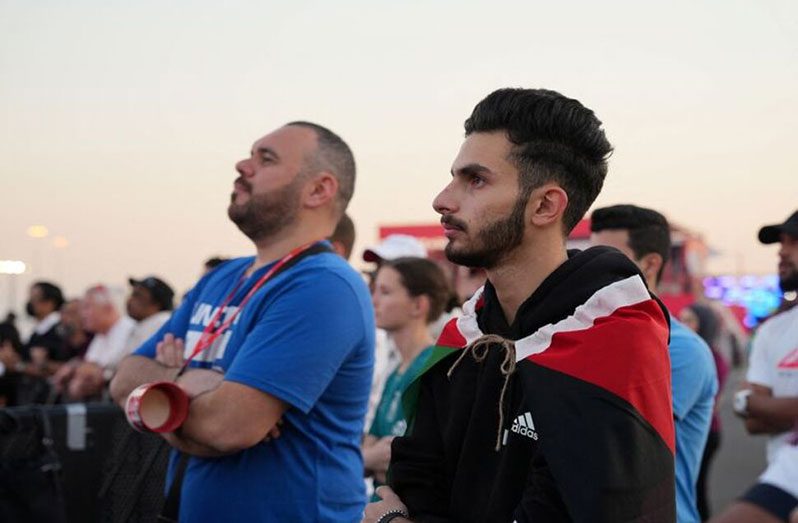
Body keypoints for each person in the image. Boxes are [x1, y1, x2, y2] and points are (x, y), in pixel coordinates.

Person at [365, 88, 675, 523]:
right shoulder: (461, 338)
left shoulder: (614, 342)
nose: (443, 200)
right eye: (454, 176)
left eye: (475, 180)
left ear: (545, 205)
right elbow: (413, 479)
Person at [110, 121, 375, 522]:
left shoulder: (323, 286)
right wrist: (190, 384)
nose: (241, 166)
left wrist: (167, 393)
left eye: (265, 159)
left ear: (319, 190)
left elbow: (227, 426)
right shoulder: (223, 277)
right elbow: (124, 382)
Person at [591, 204, 718, 523]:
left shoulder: (680, 348)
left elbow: (624, 443)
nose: (591, 271)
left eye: (608, 259)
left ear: (650, 264)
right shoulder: (586, 336)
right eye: (590, 258)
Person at [714, 210, 798, 523]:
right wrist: (748, 403)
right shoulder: (773, 330)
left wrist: (755, 402)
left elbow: (756, 410)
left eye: (794, 241)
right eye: (782, 242)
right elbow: (753, 422)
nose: (782, 250)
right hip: (782, 480)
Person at [363, 257, 451, 495]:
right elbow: (371, 448)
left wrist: (371, 458)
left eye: (385, 292)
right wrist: (369, 458)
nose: (374, 301)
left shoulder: (435, 366)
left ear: (418, 305)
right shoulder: (395, 371)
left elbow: (408, 460)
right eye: (374, 291)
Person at [680, 302, 730, 521]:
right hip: (701, 429)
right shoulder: (689, 352)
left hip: (706, 431)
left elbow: (714, 401)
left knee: (695, 489)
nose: (683, 324)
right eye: (682, 319)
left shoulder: (710, 356)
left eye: (690, 320)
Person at [53, 285, 136, 400]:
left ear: (108, 308)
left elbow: (106, 369)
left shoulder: (130, 331)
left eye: (87, 307)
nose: (82, 315)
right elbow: (89, 364)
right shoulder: (101, 334)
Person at [125, 276, 174, 351]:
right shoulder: (144, 323)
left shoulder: (162, 322)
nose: (130, 300)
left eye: (137, 295)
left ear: (156, 304)